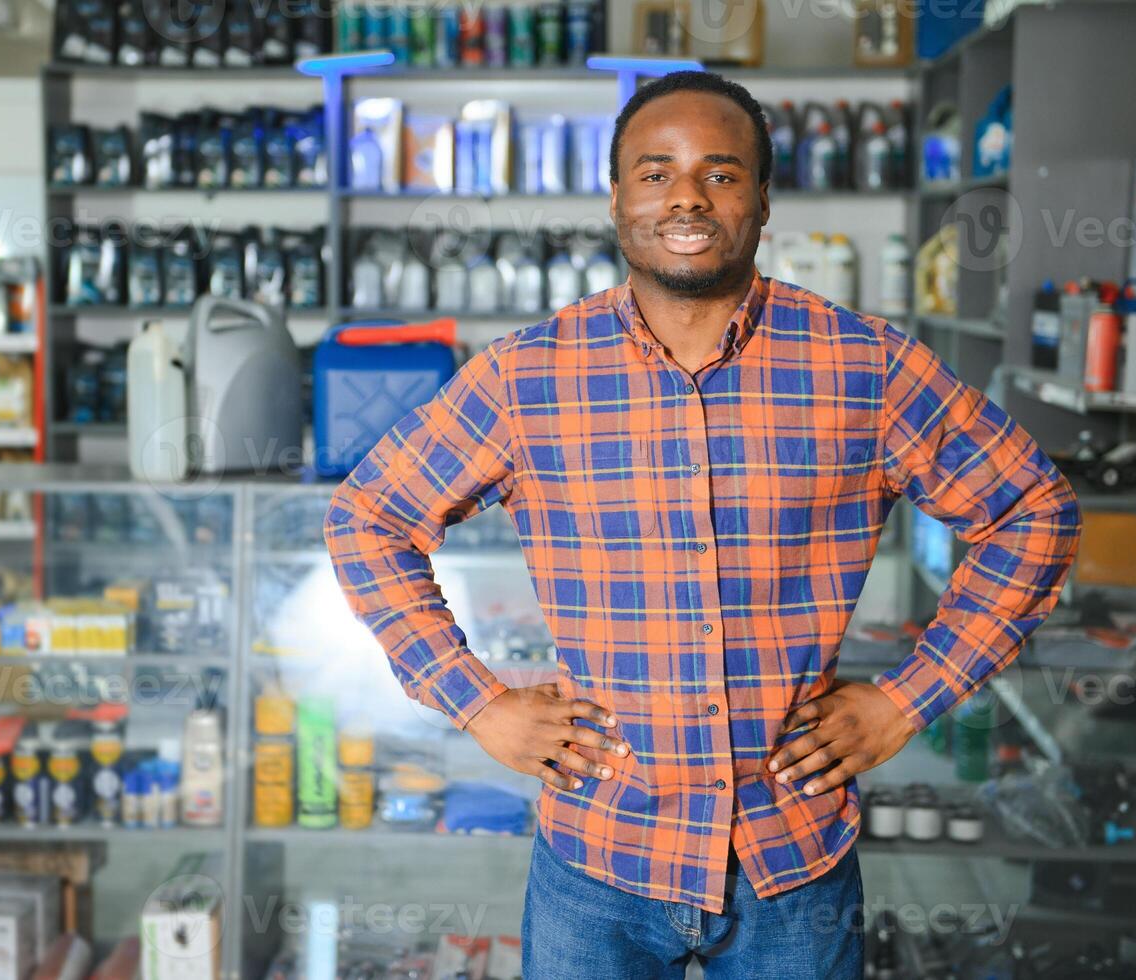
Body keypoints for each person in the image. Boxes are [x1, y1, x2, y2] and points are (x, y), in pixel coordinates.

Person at [325, 70, 1082, 978]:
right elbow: (367, 517)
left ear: (762, 200)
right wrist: (476, 701)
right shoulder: (525, 376)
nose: (686, 195)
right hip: (595, 863)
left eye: (720, 173)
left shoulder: (866, 367)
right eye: (655, 172)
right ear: (615, 198)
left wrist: (904, 699)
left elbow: (1032, 509)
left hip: (792, 867)